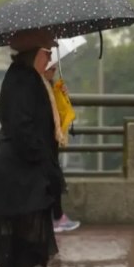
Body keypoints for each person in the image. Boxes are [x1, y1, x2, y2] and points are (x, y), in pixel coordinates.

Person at [0, 30, 64, 267]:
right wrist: (42, 159)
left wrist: (54, 90)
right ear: (34, 53)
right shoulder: (20, 80)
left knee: (21, 250)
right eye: (47, 53)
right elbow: (21, 127)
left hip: (29, 175)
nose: (50, 59)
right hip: (20, 176)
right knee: (21, 247)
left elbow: (46, 124)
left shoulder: (34, 80)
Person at [42, 62, 81, 233]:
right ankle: (56, 217)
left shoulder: (49, 86)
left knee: (54, 179)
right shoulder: (35, 85)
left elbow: (58, 111)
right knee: (53, 179)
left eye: (54, 67)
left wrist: (61, 95)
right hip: (42, 142)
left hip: (50, 140)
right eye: (50, 66)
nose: (54, 69)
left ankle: (56, 217)